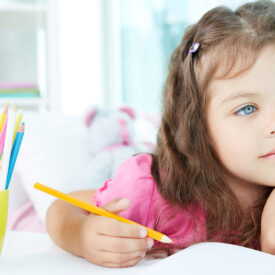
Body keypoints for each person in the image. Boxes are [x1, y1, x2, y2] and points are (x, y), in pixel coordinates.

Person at [46, 0, 275, 268]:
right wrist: (83, 237)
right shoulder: (153, 190)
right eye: (247, 108)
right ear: (197, 124)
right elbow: (61, 207)